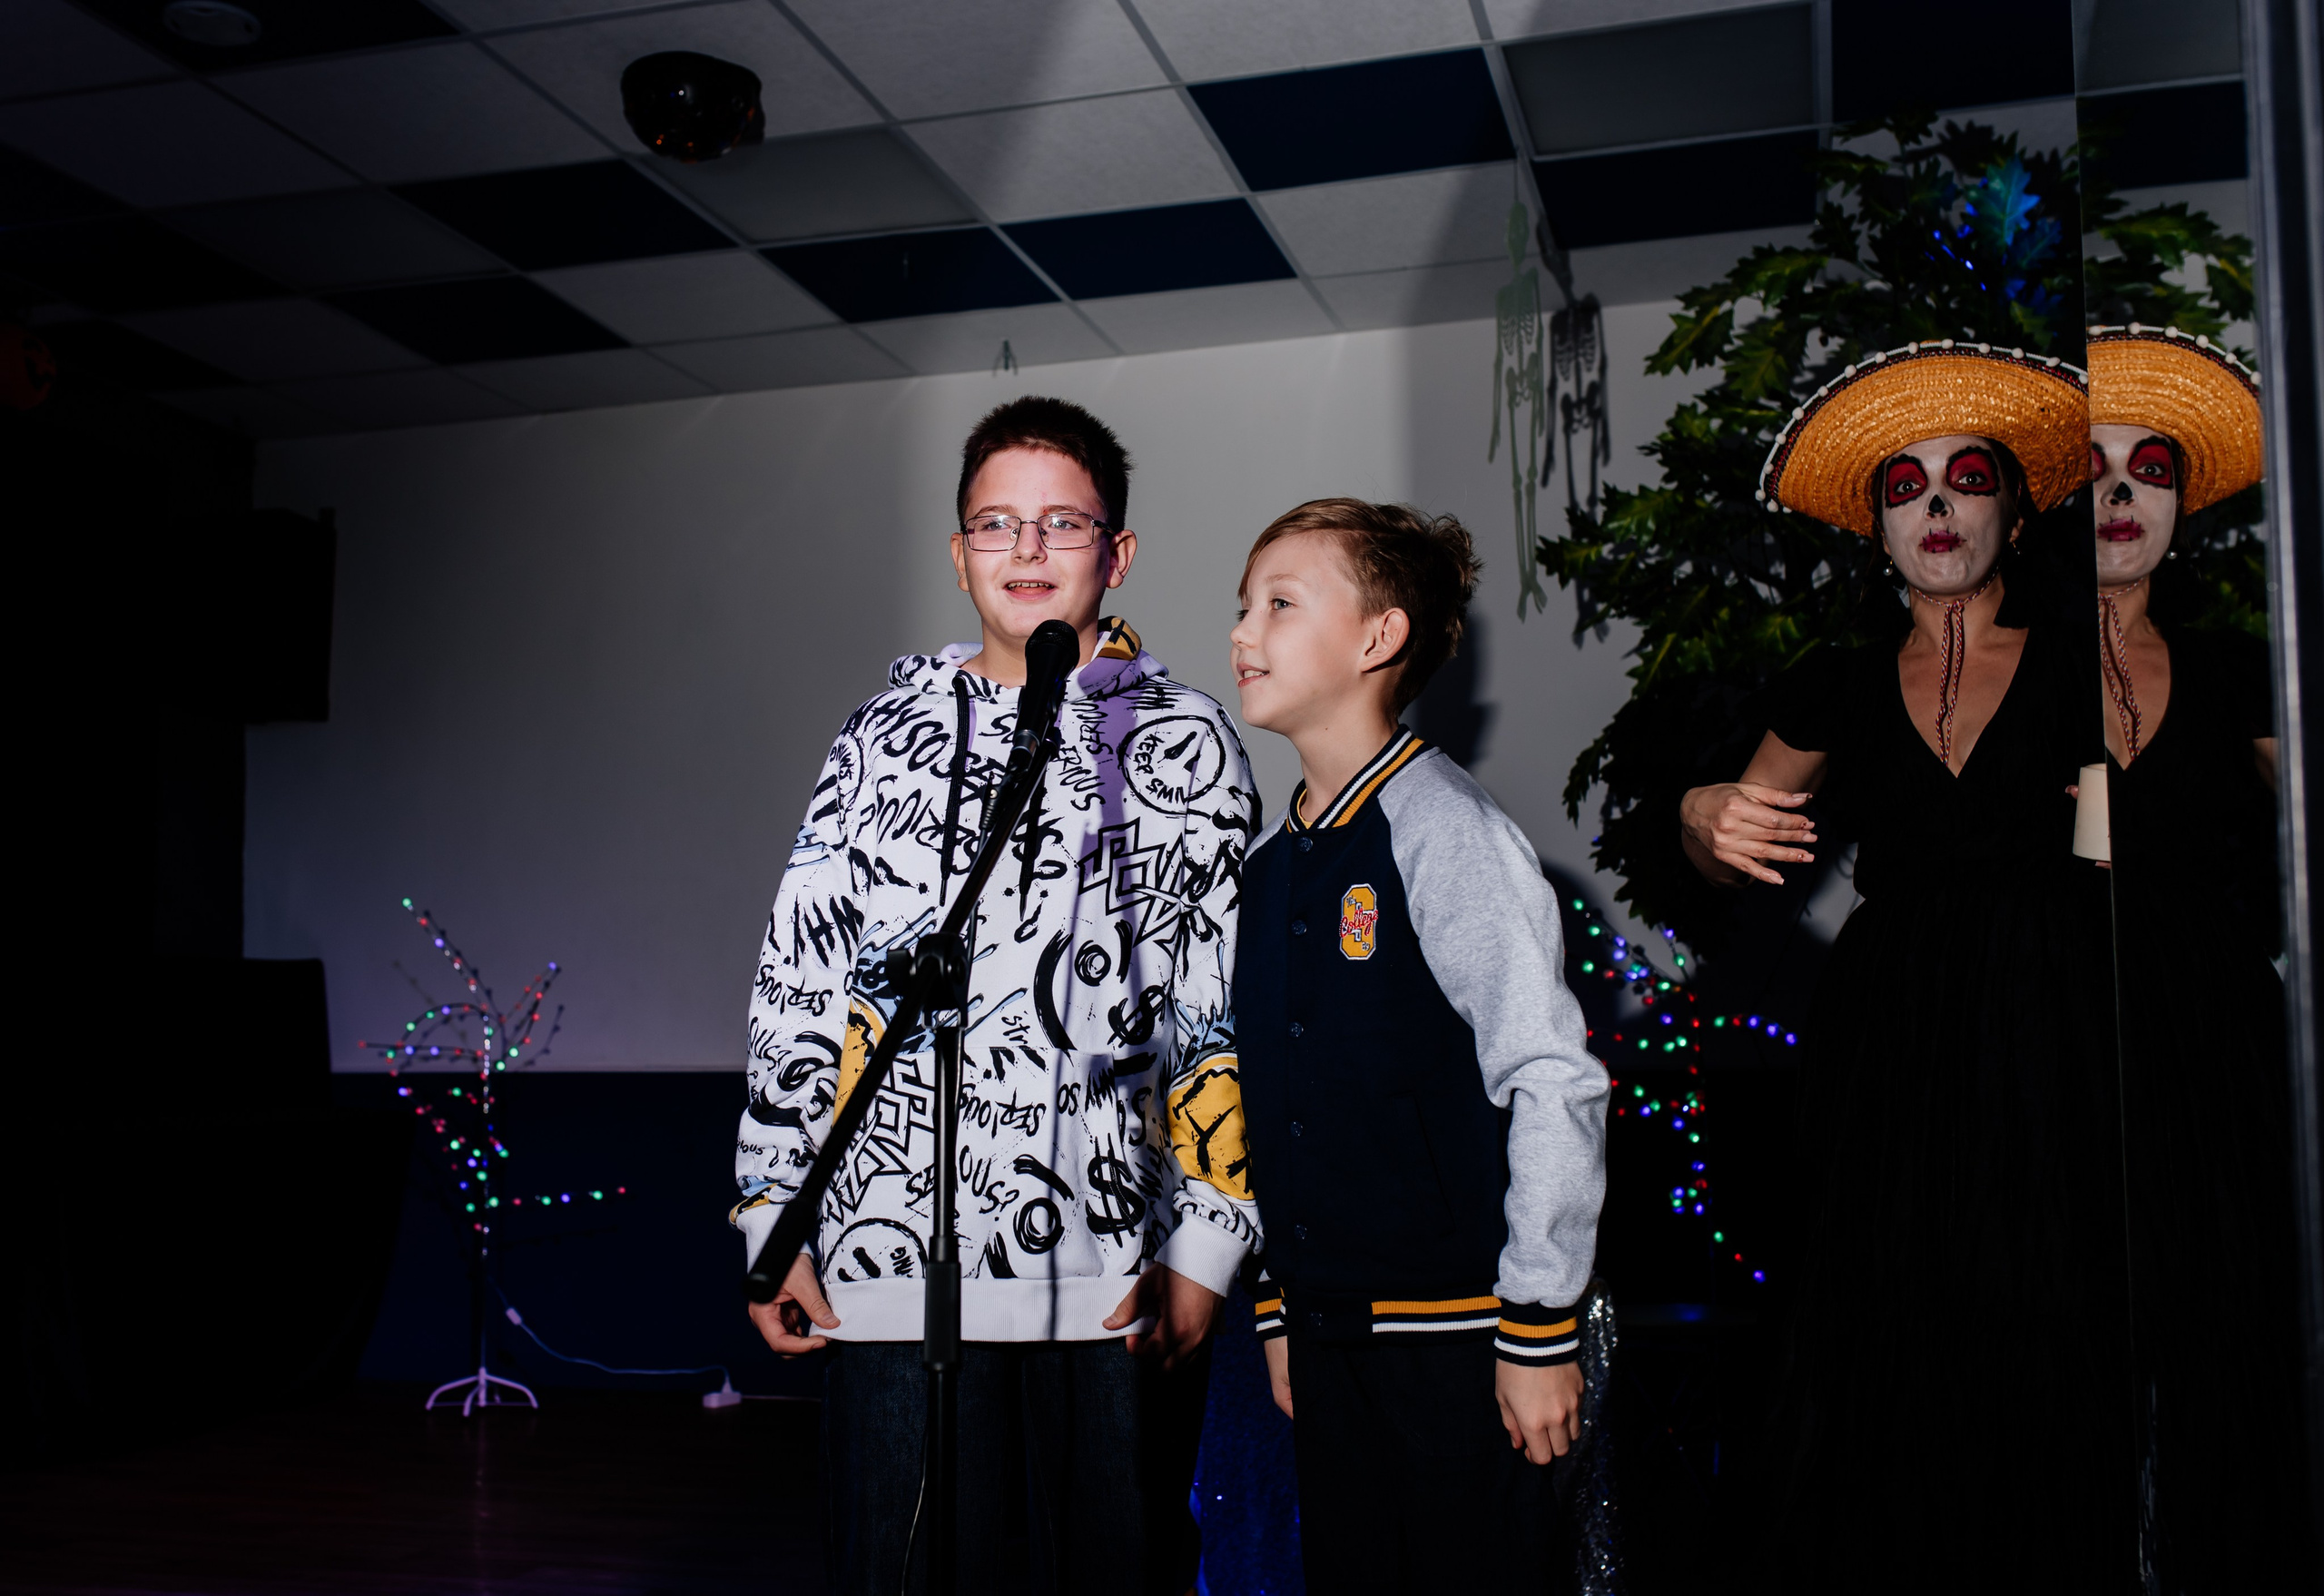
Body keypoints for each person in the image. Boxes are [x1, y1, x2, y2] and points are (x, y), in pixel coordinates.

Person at [731, 396, 1263, 1595]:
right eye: (996, 524)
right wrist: (774, 1213)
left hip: (1113, 1270)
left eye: (1061, 521)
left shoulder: (1184, 736)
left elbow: (1213, 1001)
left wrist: (1211, 1237)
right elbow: (798, 976)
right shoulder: (877, 735)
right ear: (960, 552)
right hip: (889, 1263)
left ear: (1116, 553)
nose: (1026, 550)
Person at [1679, 345, 2133, 1588]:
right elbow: (1729, 844)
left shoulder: (2087, 661)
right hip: (1887, 1035)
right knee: (1879, 1316)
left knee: (2049, 1309)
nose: (1935, 504)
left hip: (2051, 1019)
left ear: (2016, 505)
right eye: (1903, 485)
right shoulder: (1833, 681)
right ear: (1876, 528)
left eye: (1965, 475)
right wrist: (1701, 810)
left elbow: (2125, 856)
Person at [1226, 498, 1608, 1592]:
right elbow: (1262, 1100)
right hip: (1326, 1340)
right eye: (1242, 608)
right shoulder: (1270, 868)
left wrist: (1538, 1328)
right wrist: (1279, 1312)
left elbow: (1551, 1078)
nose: (1243, 634)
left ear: (1377, 638)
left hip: (1464, 1351)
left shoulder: (1446, 830)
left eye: (1280, 605)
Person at [2084, 323, 2313, 1591]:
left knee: (2233, 1363)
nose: (2122, 489)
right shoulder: (2005, 672)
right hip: (2064, 1055)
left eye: (2151, 465)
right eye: (2097, 464)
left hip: (2220, 1057)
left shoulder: (2241, 670)